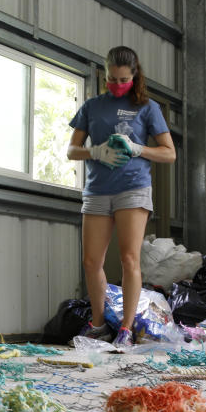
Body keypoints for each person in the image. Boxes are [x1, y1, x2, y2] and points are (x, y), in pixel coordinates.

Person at [66, 46, 176, 348]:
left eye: (123, 80)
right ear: (105, 74)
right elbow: (71, 150)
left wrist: (138, 148)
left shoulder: (148, 107)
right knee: (91, 261)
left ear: (134, 76)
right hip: (98, 189)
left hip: (133, 187)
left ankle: (126, 329)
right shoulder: (91, 106)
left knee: (129, 258)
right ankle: (99, 325)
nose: (116, 85)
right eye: (111, 79)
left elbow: (169, 153)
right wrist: (95, 151)